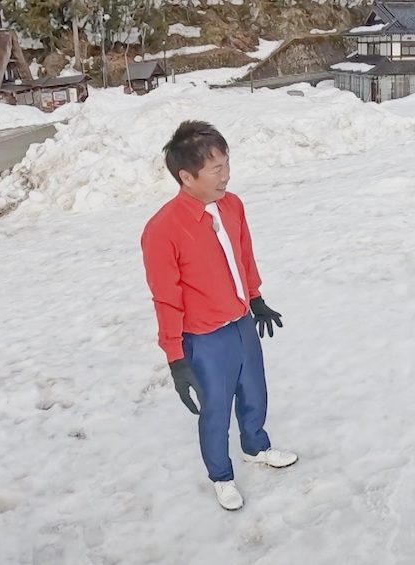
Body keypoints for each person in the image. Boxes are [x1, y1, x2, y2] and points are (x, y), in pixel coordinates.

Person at [141, 120, 297, 510]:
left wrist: (255, 298)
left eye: (227, 165)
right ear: (186, 176)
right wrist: (175, 357)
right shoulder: (162, 230)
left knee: (254, 390)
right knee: (214, 409)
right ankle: (221, 476)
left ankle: (255, 447)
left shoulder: (232, 206)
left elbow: (243, 255)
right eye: (216, 170)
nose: (226, 176)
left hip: (241, 320)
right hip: (204, 337)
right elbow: (165, 297)